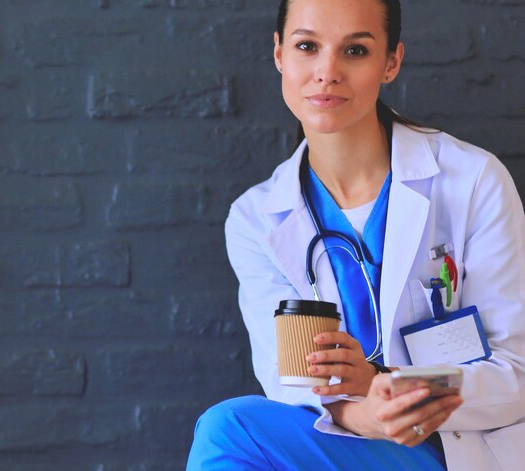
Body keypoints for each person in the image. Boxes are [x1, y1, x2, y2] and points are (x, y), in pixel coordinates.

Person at [186, 0, 525, 469]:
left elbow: (516, 377)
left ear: (391, 62)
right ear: (280, 54)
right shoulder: (256, 220)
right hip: (338, 440)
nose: (327, 72)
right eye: (307, 46)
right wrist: (364, 413)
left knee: (228, 430)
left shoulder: (473, 182)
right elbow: (289, 383)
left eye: (355, 51)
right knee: (229, 429)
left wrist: (389, 384)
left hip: (455, 448)